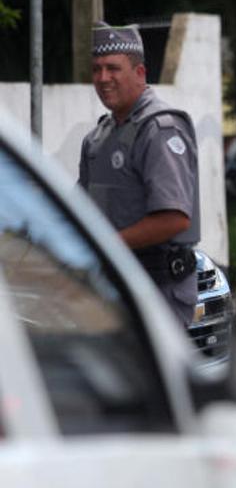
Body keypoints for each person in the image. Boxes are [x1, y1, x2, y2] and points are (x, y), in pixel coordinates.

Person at [78, 22, 200, 326]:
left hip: (158, 292)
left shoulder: (159, 129)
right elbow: (78, 208)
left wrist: (106, 244)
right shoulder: (98, 137)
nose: (103, 78)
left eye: (113, 69)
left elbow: (174, 219)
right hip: (116, 289)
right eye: (96, 69)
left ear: (140, 73)